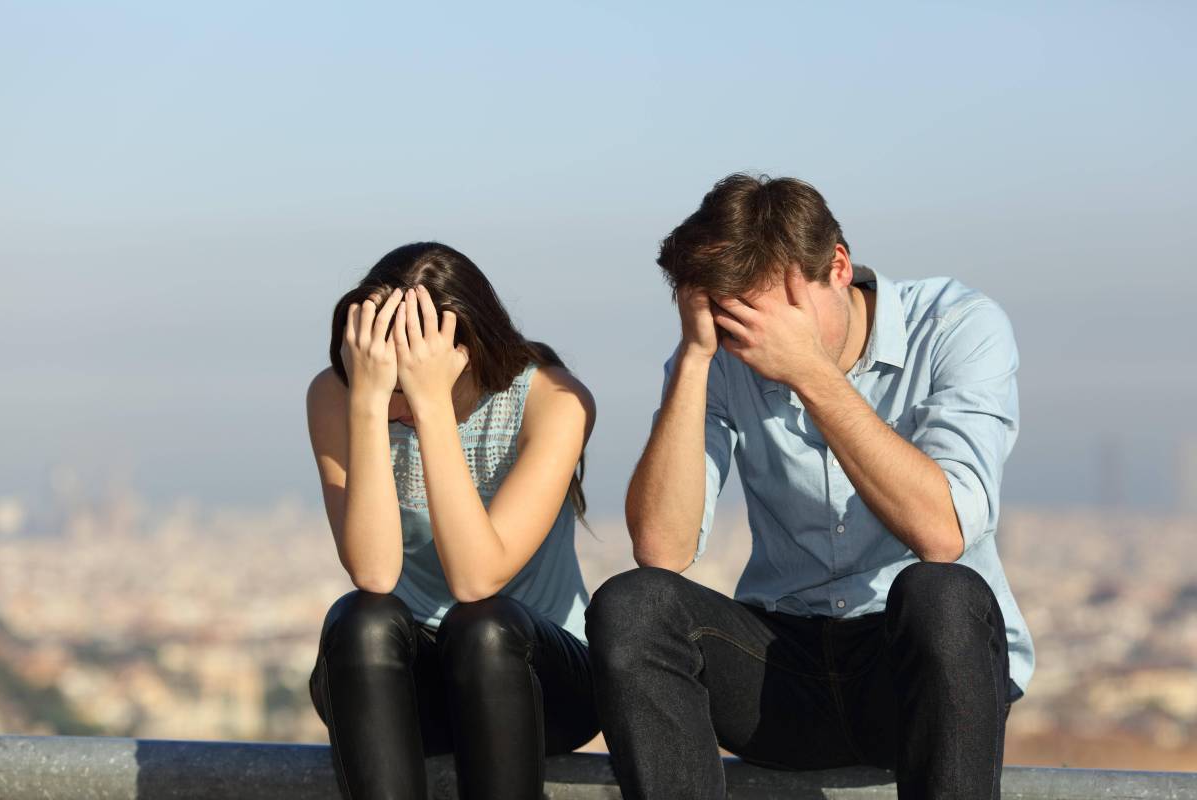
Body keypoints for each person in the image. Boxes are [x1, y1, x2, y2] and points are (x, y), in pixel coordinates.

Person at [585, 174, 1034, 800]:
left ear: (839, 268)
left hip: (919, 678)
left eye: (767, 312)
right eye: (729, 314)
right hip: (785, 674)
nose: (752, 337)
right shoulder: (719, 353)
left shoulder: (958, 325)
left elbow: (943, 532)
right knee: (632, 605)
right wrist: (693, 356)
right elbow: (662, 549)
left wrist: (810, 373)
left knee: (942, 594)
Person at [305, 242, 599, 800]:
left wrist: (432, 406)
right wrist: (365, 402)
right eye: (386, 386)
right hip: (401, 689)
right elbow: (374, 572)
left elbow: (475, 579)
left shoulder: (553, 400)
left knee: (481, 627)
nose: (399, 409)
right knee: (359, 618)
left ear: (466, 355)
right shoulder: (337, 395)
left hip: (535, 684)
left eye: (405, 388)